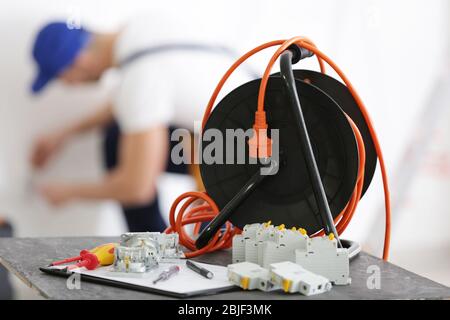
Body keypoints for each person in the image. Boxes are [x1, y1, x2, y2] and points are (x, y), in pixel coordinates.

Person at [30, 18, 248, 232]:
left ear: (80, 61)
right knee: (123, 130)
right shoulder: (143, 31)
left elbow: (137, 187)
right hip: (261, 133)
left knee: (117, 142)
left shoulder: (140, 76)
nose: (71, 85)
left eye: (64, 78)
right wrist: (65, 134)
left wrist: (69, 192)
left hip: (245, 162)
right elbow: (129, 103)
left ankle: (154, 248)